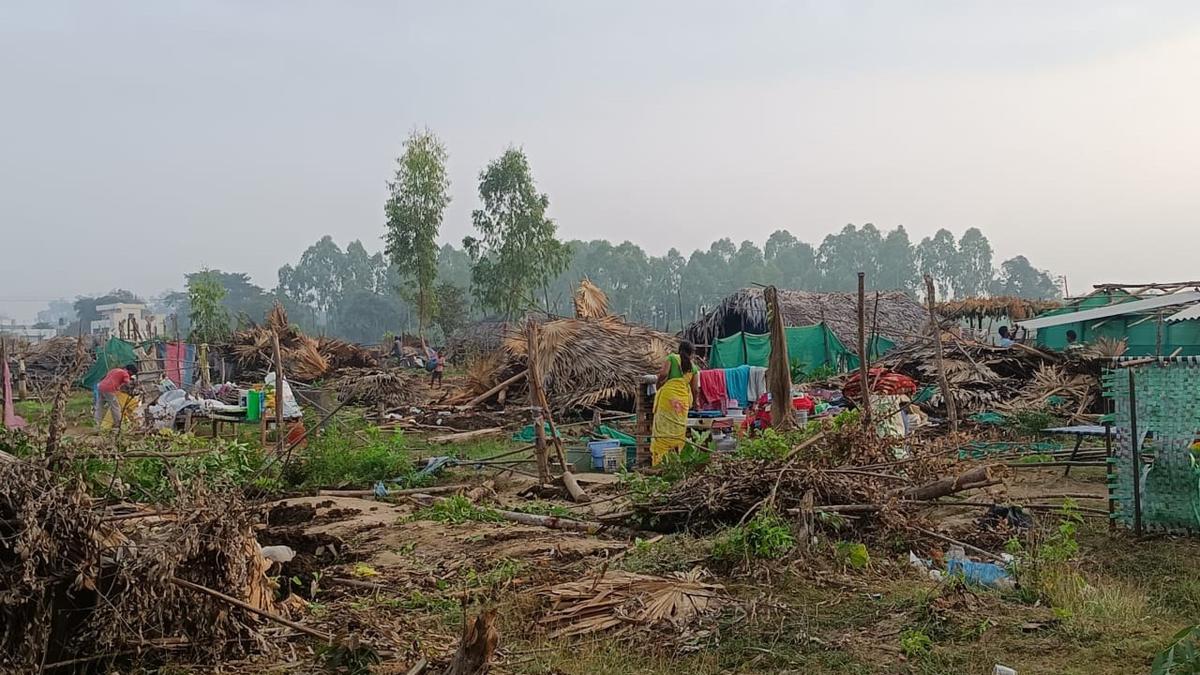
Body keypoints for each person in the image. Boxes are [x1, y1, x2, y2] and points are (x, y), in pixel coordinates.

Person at [650, 340, 701, 465]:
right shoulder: (694, 368)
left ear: (680, 350)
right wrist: (696, 404)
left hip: (667, 398)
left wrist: (658, 385)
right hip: (682, 403)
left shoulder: (672, 358)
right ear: (691, 353)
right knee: (678, 430)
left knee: (662, 429)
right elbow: (695, 390)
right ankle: (676, 462)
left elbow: (663, 374)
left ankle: (659, 462)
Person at [95, 363, 137, 429]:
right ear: (130, 371)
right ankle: (118, 425)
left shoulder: (115, 370)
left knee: (99, 406)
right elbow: (127, 383)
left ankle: (96, 424)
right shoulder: (125, 373)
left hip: (101, 387)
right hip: (109, 389)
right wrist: (132, 386)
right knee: (115, 407)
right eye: (132, 373)